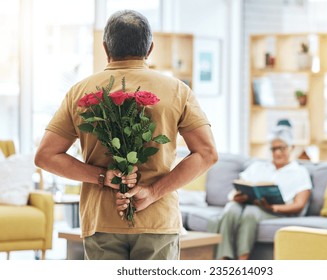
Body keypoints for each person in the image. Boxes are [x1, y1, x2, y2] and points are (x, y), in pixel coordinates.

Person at [35, 10, 218, 260]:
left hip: (101, 221)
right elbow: (207, 153)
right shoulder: (176, 90)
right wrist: (153, 192)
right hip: (157, 220)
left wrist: (102, 176)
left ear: (105, 47)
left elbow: (46, 156)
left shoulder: (80, 91)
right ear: (150, 48)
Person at [215, 120, 312, 260]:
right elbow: (236, 188)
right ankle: (223, 259)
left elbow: (299, 205)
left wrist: (272, 207)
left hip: (276, 210)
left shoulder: (300, 172)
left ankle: (243, 259)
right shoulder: (258, 166)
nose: (277, 153)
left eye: (282, 148)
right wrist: (234, 197)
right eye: (274, 149)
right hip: (248, 203)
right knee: (231, 208)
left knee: (251, 212)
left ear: (292, 147)